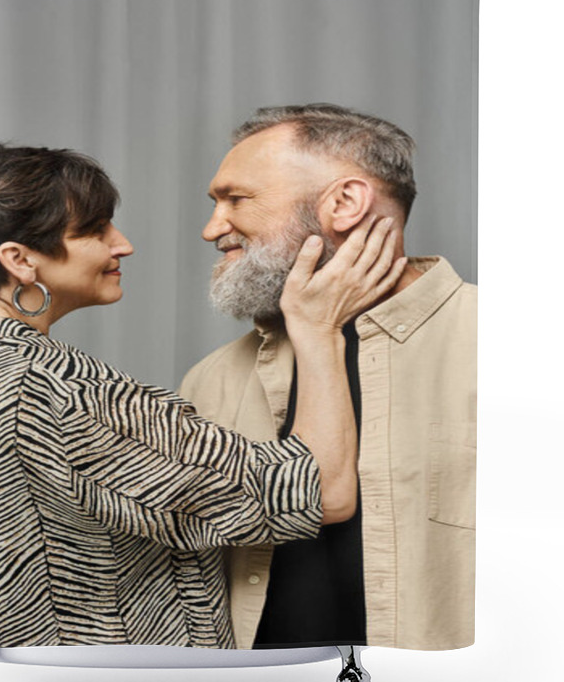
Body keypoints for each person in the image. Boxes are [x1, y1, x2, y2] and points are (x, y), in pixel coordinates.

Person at [0, 142, 405, 650]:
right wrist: (316, 326)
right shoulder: (59, 392)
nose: (122, 244)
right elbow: (321, 492)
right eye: (95, 230)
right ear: (19, 260)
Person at [179, 104, 477, 651]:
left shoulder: (507, 349)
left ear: (343, 203)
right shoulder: (210, 381)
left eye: (236, 199)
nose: (212, 228)